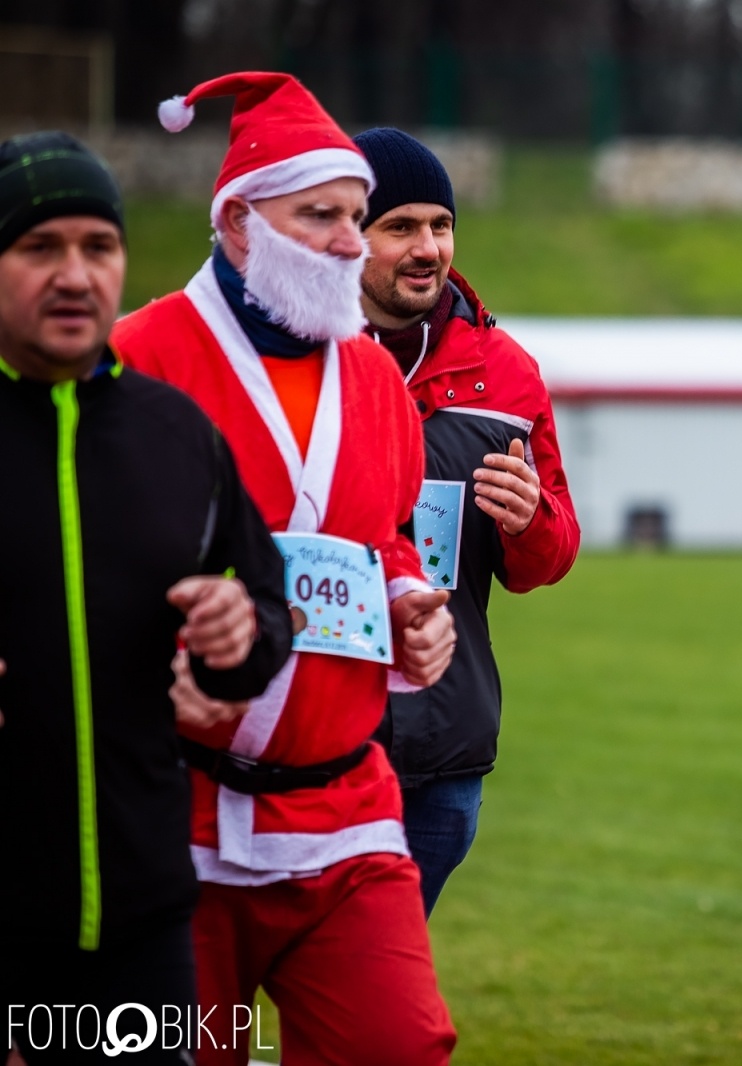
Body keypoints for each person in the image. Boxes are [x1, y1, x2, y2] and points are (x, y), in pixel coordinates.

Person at [110, 74, 457, 1065]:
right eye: (323, 216)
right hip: (179, 821)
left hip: (344, 810)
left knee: (400, 1046)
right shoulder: (141, 357)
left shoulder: (375, 376)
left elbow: (383, 536)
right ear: (238, 219)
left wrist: (409, 603)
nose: (354, 241)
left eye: (356, 215)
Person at [0, 132, 291, 1064]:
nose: (76, 275)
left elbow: (265, 617)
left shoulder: (177, 435)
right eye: (40, 248)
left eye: (99, 246)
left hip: (146, 918)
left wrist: (236, 633)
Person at [352, 127, 580, 916]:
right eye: (400, 226)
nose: (428, 248)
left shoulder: (506, 370)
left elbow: (550, 555)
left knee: (378, 999)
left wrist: (529, 522)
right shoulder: (295, 355)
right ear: (349, 235)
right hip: (314, 743)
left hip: (443, 750)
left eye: (440, 225)